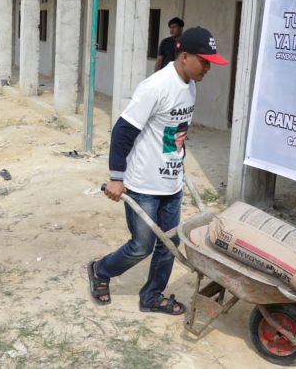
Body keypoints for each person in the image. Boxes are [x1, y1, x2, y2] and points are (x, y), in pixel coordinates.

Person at [87, 27, 229, 313]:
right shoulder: (155, 86)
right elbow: (122, 132)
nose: (208, 67)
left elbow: (175, 129)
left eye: (211, 61)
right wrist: (116, 177)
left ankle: (151, 296)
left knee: (169, 242)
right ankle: (100, 270)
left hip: (171, 183)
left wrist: (178, 157)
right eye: (204, 61)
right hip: (143, 185)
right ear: (184, 56)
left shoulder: (190, 85)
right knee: (142, 246)